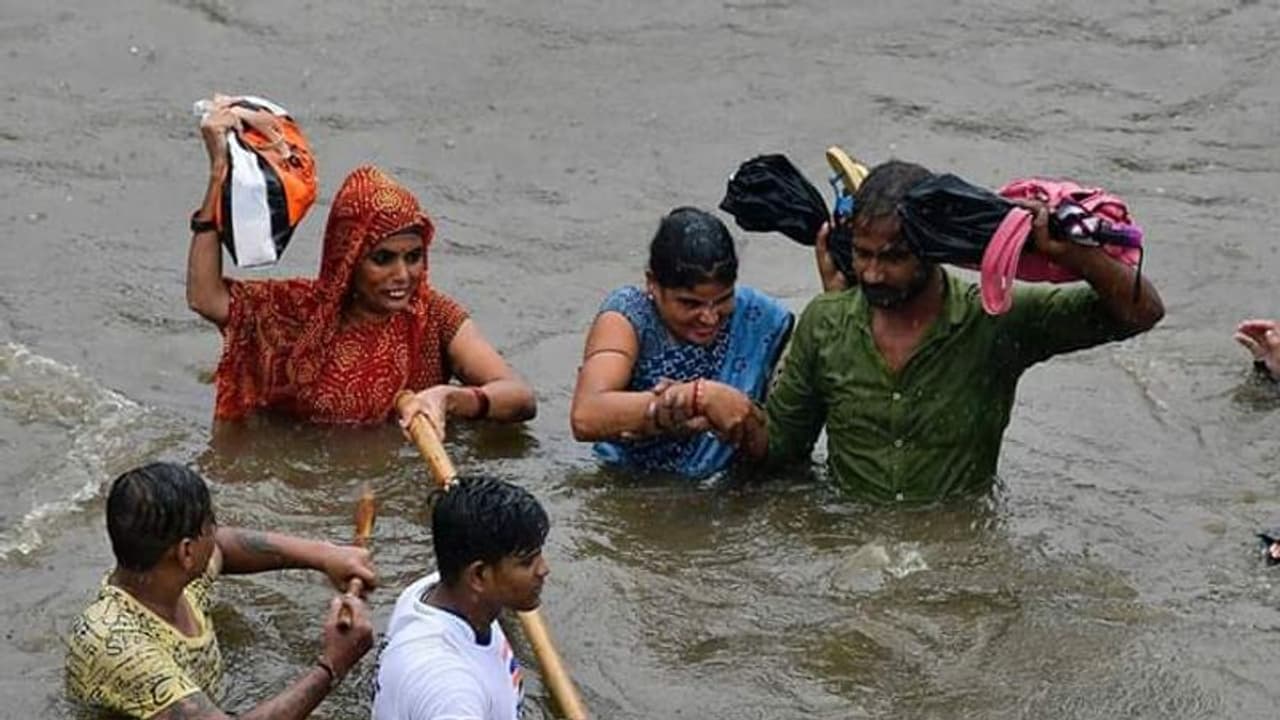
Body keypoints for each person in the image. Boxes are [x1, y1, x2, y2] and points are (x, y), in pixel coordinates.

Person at [713, 160, 1166, 502]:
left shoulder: (995, 319)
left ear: (933, 250)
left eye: (891, 258)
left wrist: (1076, 256)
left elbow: (1140, 313)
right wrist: (728, 416)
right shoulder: (825, 322)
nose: (870, 274)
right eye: (862, 255)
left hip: (961, 550)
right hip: (852, 548)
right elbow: (784, 450)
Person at [187, 107, 536, 431]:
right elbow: (206, 298)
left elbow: (520, 396)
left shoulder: (436, 319)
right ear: (348, 259)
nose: (402, 275)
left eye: (413, 257)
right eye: (383, 259)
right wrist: (218, 174)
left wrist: (449, 397)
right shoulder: (295, 313)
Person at [65, 462, 376, 719]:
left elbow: (224, 547)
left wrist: (325, 556)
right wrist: (332, 665)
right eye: (210, 525)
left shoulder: (168, 580)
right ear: (186, 552)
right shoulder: (121, 648)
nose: (216, 533)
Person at [569, 207, 794, 478]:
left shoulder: (759, 318)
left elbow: (785, 438)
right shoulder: (628, 316)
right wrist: (695, 399)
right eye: (690, 304)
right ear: (652, 284)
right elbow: (586, 415)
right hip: (630, 484)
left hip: (727, 488)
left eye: (723, 299)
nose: (710, 318)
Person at [372, 475, 550, 720]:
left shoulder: (431, 590)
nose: (544, 569)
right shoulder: (451, 692)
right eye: (527, 562)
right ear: (478, 575)